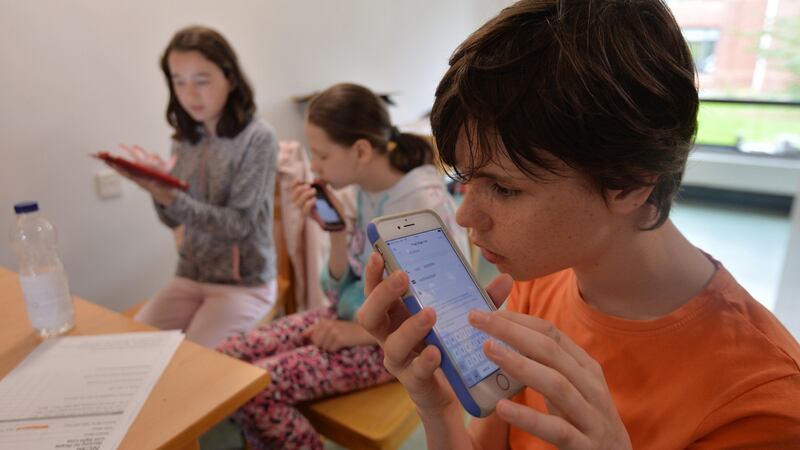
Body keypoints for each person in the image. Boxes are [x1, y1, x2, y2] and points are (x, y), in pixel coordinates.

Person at [357, 1, 800, 449]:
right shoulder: (535, 283)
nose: (464, 215)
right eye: (467, 180)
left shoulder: (761, 405)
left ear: (628, 183)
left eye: (505, 189)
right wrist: (441, 411)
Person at [217, 82, 468, 449]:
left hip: (390, 343)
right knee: (228, 358)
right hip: (347, 314)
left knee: (256, 387)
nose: (314, 167)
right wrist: (335, 233)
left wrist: (358, 333)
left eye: (320, 156)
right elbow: (336, 290)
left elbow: (448, 309)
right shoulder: (360, 190)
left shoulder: (422, 204)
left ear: (361, 150)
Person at [110, 26, 278, 348]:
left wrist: (172, 198)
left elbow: (240, 224)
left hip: (244, 284)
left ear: (230, 79)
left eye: (202, 81)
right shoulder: (185, 139)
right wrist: (156, 190)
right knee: (130, 349)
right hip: (189, 277)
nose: (190, 95)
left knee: (192, 367)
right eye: (179, 82)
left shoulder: (258, 138)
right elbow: (175, 220)